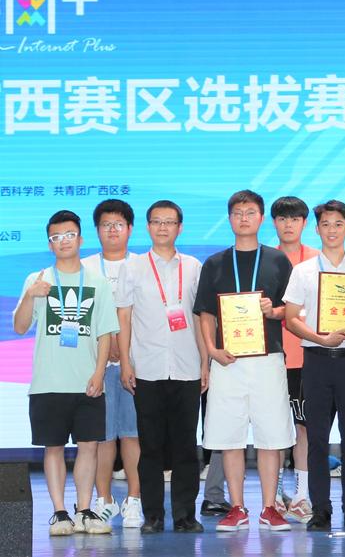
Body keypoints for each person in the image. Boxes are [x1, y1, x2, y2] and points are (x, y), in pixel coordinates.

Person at [194, 190, 295, 532]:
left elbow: (291, 309)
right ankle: (237, 507)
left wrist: (273, 310)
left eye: (250, 212)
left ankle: (269, 507)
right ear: (230, 219)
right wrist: (211, 350)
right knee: (229, 437)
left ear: (261, 218)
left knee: (271, 435)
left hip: (268, 358)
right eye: (237, 213)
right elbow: (205, 313)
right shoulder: (215, 263)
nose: (243, 218)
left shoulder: (278, 260)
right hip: (228, 360)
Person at [13, 210, 117, 535]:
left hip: (88, 381)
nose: (63, 241)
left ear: (80, 239)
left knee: (89, 446)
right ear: (50, 244)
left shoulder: (98, 282)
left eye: (69, 235)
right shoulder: (37, 279)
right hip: (48, 382)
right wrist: (30, 295)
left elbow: (105, 334)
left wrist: (99, 374)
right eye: (56, 237)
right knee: (53, 447)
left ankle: (84, 510)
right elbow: (19, 327)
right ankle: (59, 513)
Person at [283, 200, 345, 532]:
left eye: (338, 224)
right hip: (317, 362)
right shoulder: (303, 271)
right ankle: (321, 509)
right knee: (317, 439)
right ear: (317, 228)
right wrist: (320, 339)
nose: (332, 230)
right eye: (326, 224)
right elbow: (291, 319)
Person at [116, 200, 208, 533]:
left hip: (187, 367)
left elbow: (201, 317)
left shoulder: (194, 266)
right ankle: (153, 515)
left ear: (180, 228)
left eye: (169, 222)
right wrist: (125, 362)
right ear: (148, 226)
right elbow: (124, 317)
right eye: (157, 221)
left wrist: (205, 362)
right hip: (147, 368)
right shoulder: (133, 267)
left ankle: (185, 515)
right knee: (150, 446)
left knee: (186, 446)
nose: (163, 227)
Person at [80, 199, 143, 529]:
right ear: (97, 230)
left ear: (130, 229)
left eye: (119, 224)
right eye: (106, 225)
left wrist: (124, 350)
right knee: (102, 437)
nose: (113, 230)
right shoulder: (84, 267)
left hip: (136, 364)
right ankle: (104, 499)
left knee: (132, 434)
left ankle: (134, 499)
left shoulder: (142, 265)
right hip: (96, 365)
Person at [271, 195, 319, 523]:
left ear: (304, 223)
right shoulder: (264, 259)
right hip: (272, 356)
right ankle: (274, 495)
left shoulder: (317, 260)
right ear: (274, 222)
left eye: (295, 219)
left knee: (305, 427)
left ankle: (302, 495)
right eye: (282, 218)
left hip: (307, 356)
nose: (288, 225)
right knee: (273, 430)